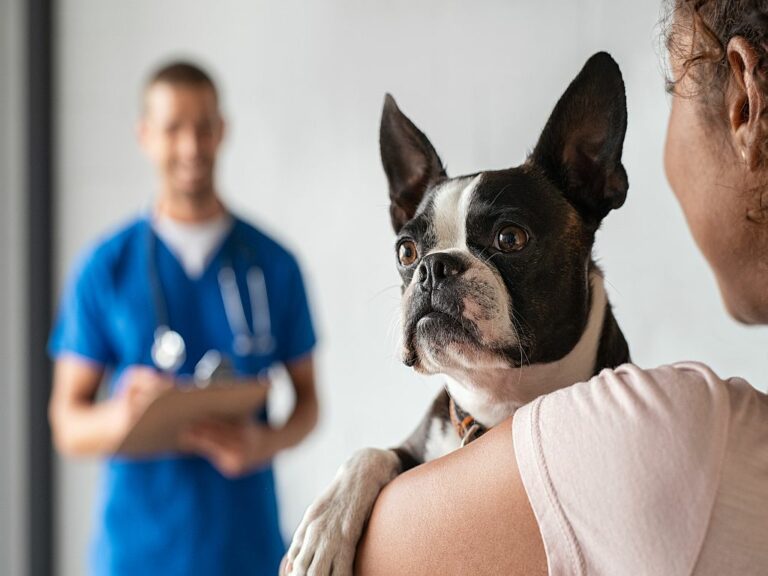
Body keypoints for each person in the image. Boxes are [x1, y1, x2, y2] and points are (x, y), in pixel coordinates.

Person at [352, 1, 768, 575]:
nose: (431, 273)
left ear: (744, 102)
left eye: (509, 238)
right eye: (412, 253)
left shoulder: (651, 428)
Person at [48, 62, 319, 576]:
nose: (192, 147)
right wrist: (123, 418)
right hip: (136, 555)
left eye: (204, 126)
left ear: (223, 131)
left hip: (248, 550)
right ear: (145, 136)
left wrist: (264, 442)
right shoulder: (106, 268)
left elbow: (308, 403)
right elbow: (66, 423)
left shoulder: (273, 264)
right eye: (174, 128)